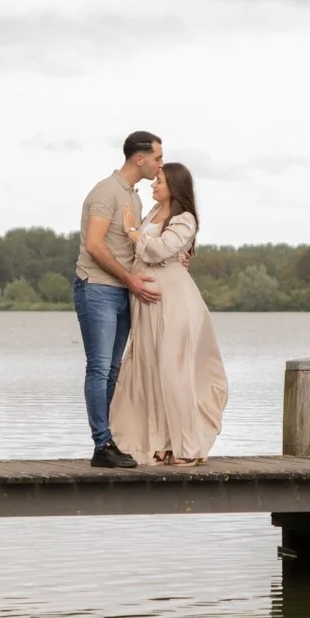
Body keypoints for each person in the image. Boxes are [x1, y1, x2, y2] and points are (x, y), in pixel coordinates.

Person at [109, 162, 228, 467]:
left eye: (159, 181)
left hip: (175, 300)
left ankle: (188, 446)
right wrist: (135, 236)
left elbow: (159, 250)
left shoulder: (185, 219)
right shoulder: (151, 215)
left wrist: (134, 234)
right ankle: (163, 443)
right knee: (150, 370)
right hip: (147, 302)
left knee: (173, 372)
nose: (153, 185)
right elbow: (145, 251)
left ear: (173, 186)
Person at [73, 131, 164, 469]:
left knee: (112, 370)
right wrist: (129, 280)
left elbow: (135, 245)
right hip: (96, 288)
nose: (160, 165)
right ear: (139, 158)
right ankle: (102, 445)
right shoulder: (106, 192)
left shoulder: (134, 198)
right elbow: (95, 245)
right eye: (157, 158)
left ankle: (109, 441)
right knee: (98, 367)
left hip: (123, 291)